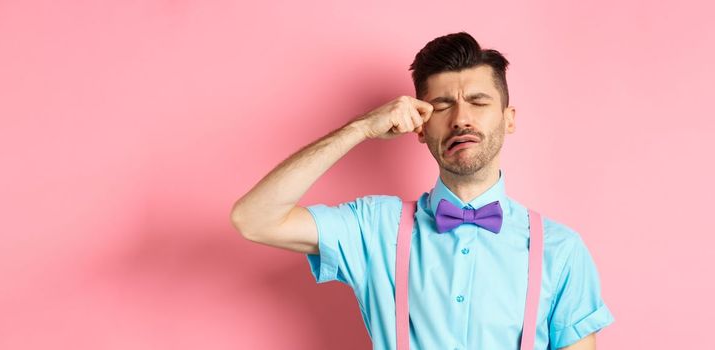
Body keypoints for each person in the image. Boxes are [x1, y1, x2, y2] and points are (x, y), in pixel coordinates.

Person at [230, 32, 613, 350]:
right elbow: (254, 219)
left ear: (508, 119)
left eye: (478, 102)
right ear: (419, 127)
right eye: (442, 106)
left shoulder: (561, 250)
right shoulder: (375, 227)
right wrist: (359, 129)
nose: (461, 118)